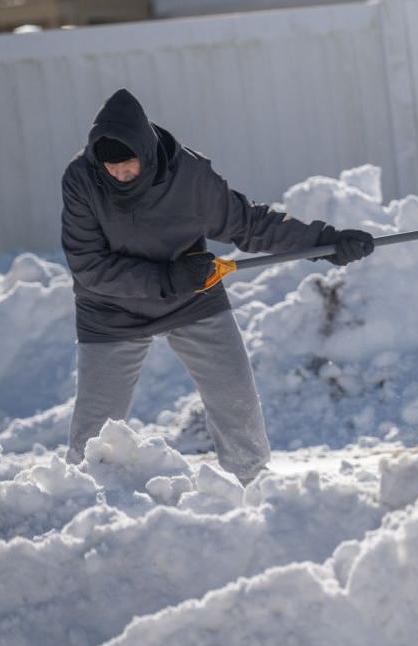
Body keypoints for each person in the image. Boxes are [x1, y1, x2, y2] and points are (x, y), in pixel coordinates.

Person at [61, 88, 375, 484]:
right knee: (94, 433)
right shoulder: (81, 181)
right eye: (111, 168)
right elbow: (88, 266)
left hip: (191, 297)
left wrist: (324, 242)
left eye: (129, 165)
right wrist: (166, 278)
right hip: (112, 310)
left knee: (236, 401)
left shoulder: (189, 178)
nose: (120, 174)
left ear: (147, 151)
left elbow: (250, 224)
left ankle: (250, 484)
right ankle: (78, 496)